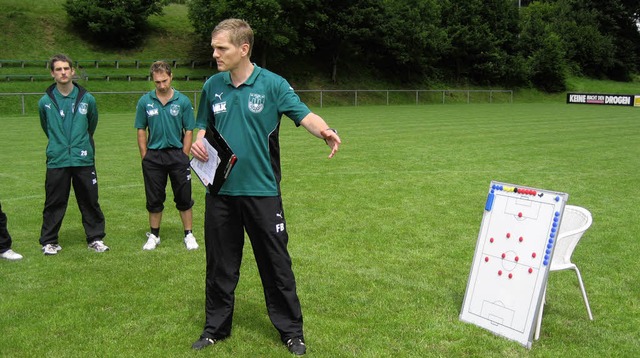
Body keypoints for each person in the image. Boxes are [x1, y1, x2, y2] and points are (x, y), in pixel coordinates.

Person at [189, 19, 341, 355]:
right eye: (214, 47)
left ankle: (291, 332)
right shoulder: (212, 86)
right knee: (219, 266)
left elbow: (305, 115)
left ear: (243, 49)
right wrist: (198, 142)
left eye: (221, 48)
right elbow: (202, 125)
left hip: (262, 192)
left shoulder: (272, 84)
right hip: (221, 195)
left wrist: (326, 131)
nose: (214, 53)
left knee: (276, 265)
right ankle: (215, 328)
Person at [37, 54, 109, 255]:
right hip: (57, 159)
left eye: (66, 68)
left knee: (89, 200)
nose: (63, 72)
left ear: (72, 71)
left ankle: (95, 238)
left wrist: (79, 144)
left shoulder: (87, 98)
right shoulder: (45, 102)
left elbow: (91, 125)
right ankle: (49, 241)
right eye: (58, 69)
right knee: (54, 202)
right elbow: (47, 127)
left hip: (83, 157)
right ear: (53, 73)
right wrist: (60, 145)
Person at [135, 61, 198, 251]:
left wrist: (184, 155)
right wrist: (145, 155)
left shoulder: (183, 101)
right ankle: (154, 235)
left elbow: (189, 130)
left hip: (177, 156)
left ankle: (188, 234)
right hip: (154, 157)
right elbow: (140, 129)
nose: (161, 85)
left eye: (164, 81)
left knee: (184, 197)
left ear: (171, 77)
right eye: (157, 82)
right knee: (154, 198)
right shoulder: (145, 102)